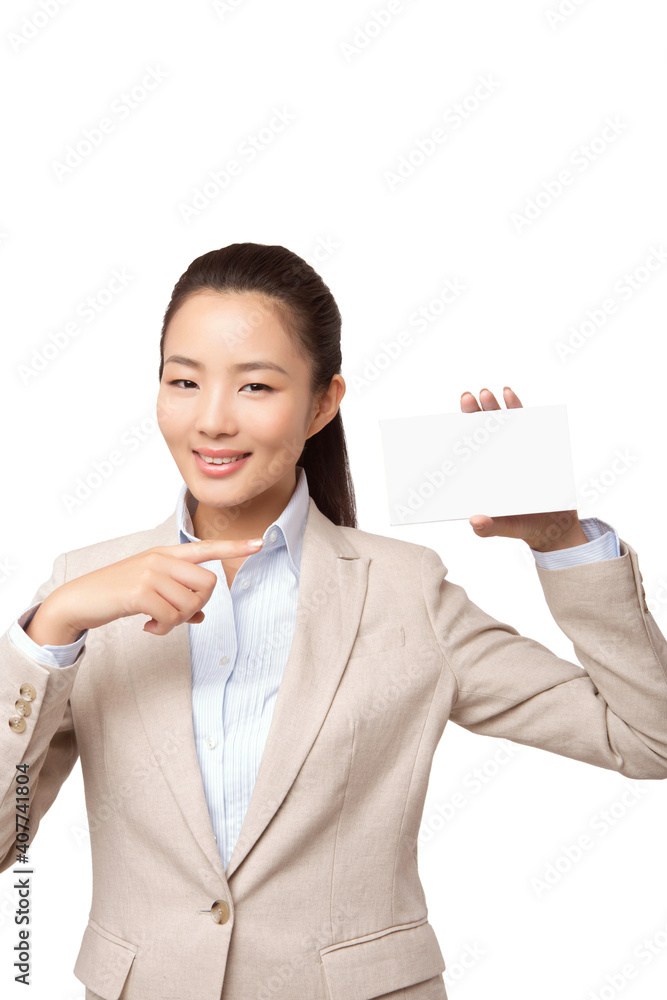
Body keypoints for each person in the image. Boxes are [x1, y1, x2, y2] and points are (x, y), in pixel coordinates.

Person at [1, 242, 666, 1000]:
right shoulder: (82, 592)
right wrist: (51, 629)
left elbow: (650, 739)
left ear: (322, 402)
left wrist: (560, 543)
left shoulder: (403, 589)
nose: (212, 419)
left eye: (255, 385)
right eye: (183, 381)